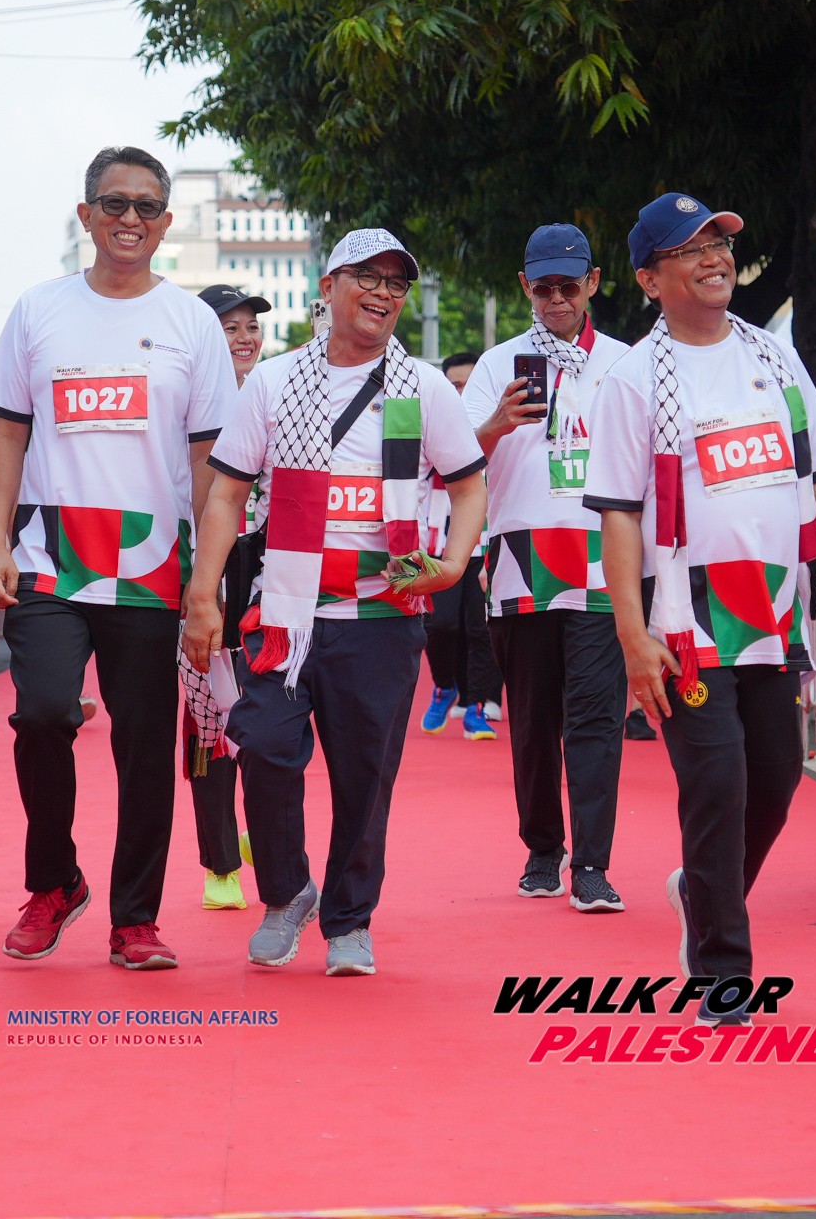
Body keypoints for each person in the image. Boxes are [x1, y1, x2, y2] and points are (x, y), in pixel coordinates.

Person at [583, 192, 816, 1024]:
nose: (713, 258)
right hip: (685, 626)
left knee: (777, 777)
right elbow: (618, 515)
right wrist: (631, 635)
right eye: (689, 249)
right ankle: (722, 969)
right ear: (649, 279)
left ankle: (702, 890)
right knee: (716, 786)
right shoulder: (631, 381)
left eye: (718, 243)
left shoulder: (773, 356)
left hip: (772, 616)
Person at [185, 227, 488, 977]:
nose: (383, 293)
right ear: (328, 288)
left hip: (382, 619)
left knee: (364, 779)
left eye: (396, 282)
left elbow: (468, 485)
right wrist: (202, 594)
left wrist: (452, 564)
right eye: (367, 277)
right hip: (284, 619)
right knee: (262, 749)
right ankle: (286, 893)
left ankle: (350, 920)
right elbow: (226, 494)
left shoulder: (422, 387)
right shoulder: (274, 383)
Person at [0, 147, 238, 972]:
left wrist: (206, 582)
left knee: (145, 746)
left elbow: (211, 462)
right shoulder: (38, 310)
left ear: (165, 223)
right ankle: (54, 883)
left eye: (147, 207)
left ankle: (135, 919)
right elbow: (5, 431)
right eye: (115, 204)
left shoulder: (191, 322)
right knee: (43, 714)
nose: (131, 219)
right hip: (48, 558)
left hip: (153, 567)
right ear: (86, 214)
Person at [465, 223, 634, 911]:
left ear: (593, 283)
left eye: (569, 285)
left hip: (604, 562)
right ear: (524, 288)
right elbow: (454, 461)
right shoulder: (495, 365)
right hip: (520, 563)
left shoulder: (626, 363)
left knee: (595, 719)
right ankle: (542, 848)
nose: (557, 299)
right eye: (543, 288)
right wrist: (497, 422)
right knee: (532, 722)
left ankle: (591, 864)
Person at [185, 281, 279, 911]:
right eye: (229, 327)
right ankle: (220, 862)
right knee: (207, 718)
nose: (244, 338)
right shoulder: (185, 400)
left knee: (269, 715)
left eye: (251, 327)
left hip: (267, 572)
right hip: (201, 573)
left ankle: (265, 834)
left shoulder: (277, 393)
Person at [420, 350, 502, 740]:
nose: (462, 393)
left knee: (481, 629)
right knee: (440, 625)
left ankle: (477, 708)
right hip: (439, 544)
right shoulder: (430, 424)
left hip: (485, 544)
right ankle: (444, 685)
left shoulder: (502, 428)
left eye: (469, 385)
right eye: (454, 386)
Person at [201, 283, 269, 384]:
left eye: (252, 327)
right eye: (232, 328)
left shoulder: (270, 392)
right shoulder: (182, 393)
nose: (246, 338)